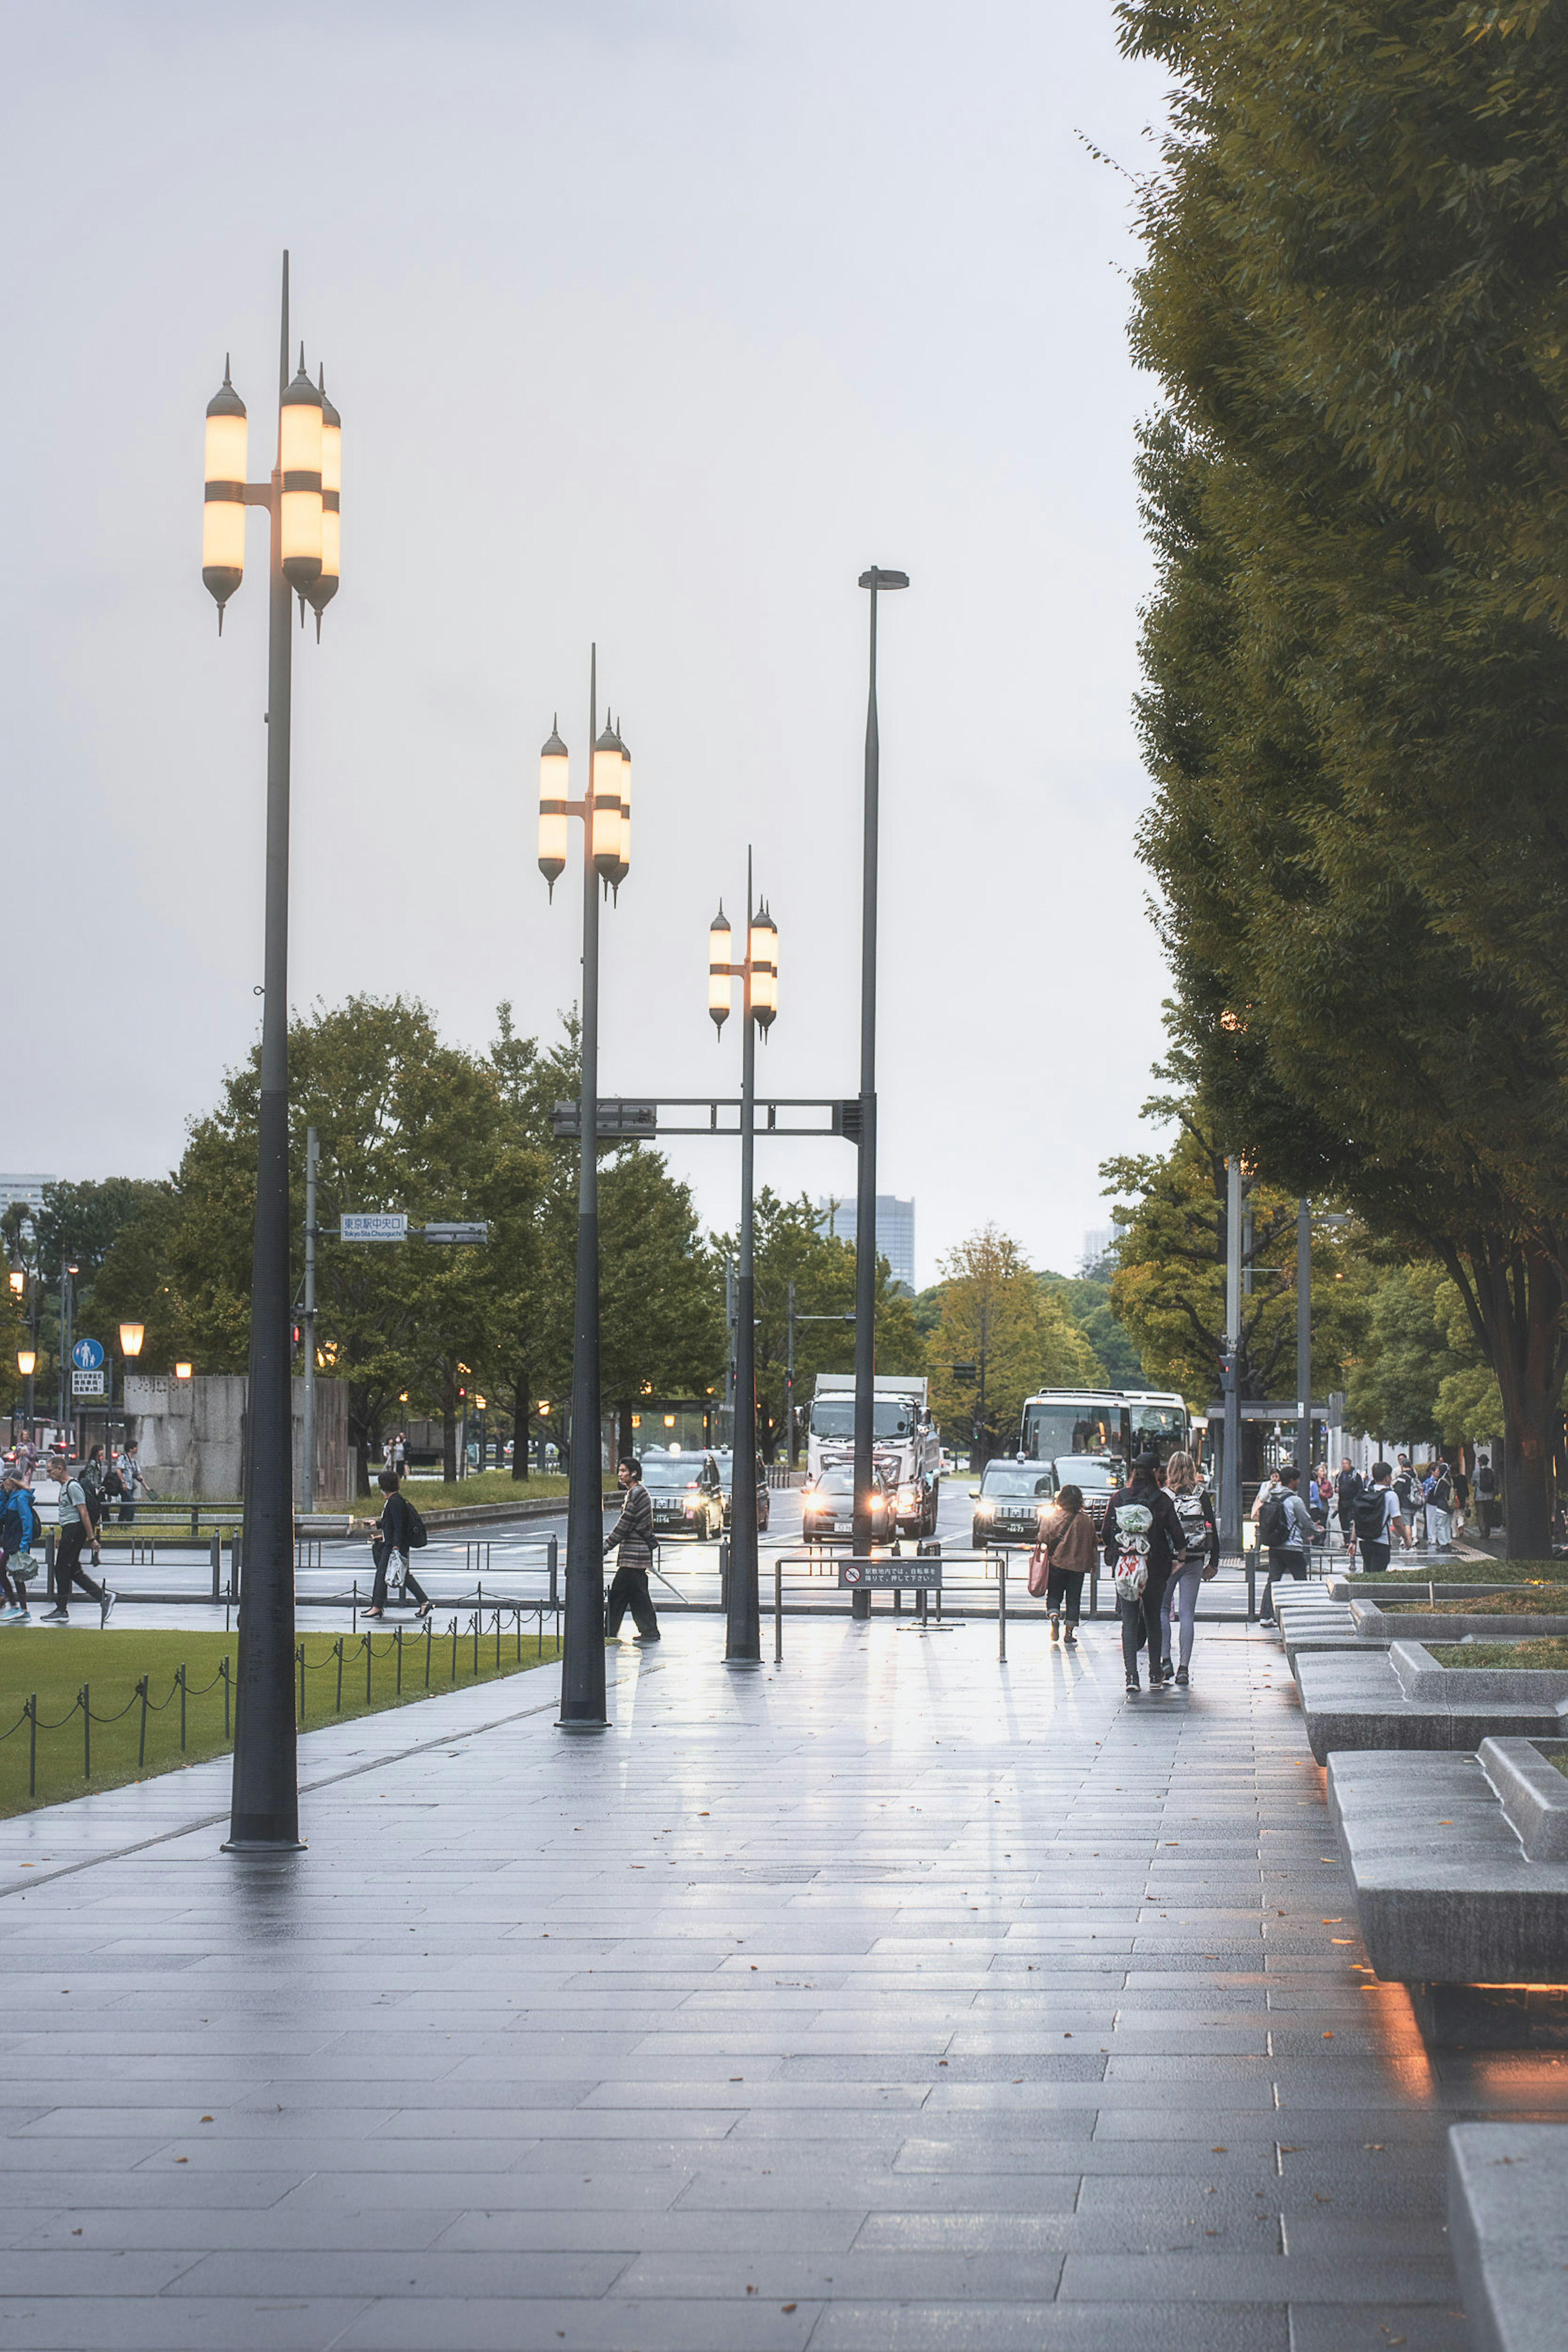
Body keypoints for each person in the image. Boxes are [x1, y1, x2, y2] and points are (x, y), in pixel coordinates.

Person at [1102, 1452, 1186, 1695]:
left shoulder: (1119, 1498)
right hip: (1155, 1567)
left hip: (1127, 1566)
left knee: (1129, 1619)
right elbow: (1177, 1532)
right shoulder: (1162, 1500)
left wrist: (1117, 1555)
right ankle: (1155, 1673)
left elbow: (1107, 1531)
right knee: (1153, 1618)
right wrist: (1180, 1559)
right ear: (1156, 1473)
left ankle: (1131, 1676)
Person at [1158, 1450, 1219, 1685]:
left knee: (1163, 1611)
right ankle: (1184, 1668)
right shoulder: (1201, 1495)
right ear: (1192, 1469)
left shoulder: (1164, 1496)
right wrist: (1213, 1562)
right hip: (1195, 1559)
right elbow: (1211, 1527)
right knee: (1187, 1614)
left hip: (1168, 1560)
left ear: (1170, 1469)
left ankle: (1166, 1662)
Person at [38, 1449, 115, 1624]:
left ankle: (62, 1609)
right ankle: (103, 1598)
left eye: (50, 1471)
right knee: (73, 1570)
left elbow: (84, 1514)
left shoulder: (73, 1487)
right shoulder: (66, 1488)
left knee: (61, 1568)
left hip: (75, 1531)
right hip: (70, 1531)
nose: (49, 1475)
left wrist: (92, 1539)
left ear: (60, 1469)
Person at [363, 1469, 432, 1619]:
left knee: (382, 1574)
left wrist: (396, 1546)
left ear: (384, 1486)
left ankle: (377, 1607)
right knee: (404, 1576)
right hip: (394, 1544)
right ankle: (424, 1602)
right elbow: (393, 1523)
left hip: (393, 1546)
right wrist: (378, 1524)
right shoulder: (397, 1500)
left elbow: (399, 1526)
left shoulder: (395, 1502)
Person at [603, 1455, 658, 1642]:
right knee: (637, 1595)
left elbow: (625, 1524)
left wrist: (606, 1546)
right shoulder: (635, 1493)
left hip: (634, 1556)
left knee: (619, 1595)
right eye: (620, 1471)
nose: (620, 1474)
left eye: (624, 1471)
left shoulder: (637, 1493)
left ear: (634, 1473)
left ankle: (609, 1632)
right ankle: (649, 1630)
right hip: (636, 1555)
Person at [1038, 1482, 1096, 1646]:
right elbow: (1093, 1543)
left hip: (1057, 1563)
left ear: (1061, 1500)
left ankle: (1054, 1616)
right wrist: (1093, 1566)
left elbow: (1043, 1537)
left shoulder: (1053, 1518)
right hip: (1079, 1567)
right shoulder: (1087, 1521)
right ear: (1080, 1501)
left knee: (1055, 1594)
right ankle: (1069, 1633)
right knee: (1073, 1599)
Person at [1257, 1464, 1316, 1623]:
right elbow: (1305, 1520)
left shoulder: (1271, 1497)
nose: (1299, 1483)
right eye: (1297, 1480)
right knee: (1301, 1580)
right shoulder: (1295, 1500)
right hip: (1293, 1546)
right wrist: (1316, 1530)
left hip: (1275, 1546)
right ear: (1291, 1481)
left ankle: (1266, 1616)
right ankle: (1304, 1613)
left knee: (1273, 1580)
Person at [1350, 1461, 1407, 1576]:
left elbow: (1358, 1519)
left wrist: (1353, 1541)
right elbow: (1397, 1523)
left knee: (1368, 1573)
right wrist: (1406, 1539)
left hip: (1364, 1541)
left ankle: (1366, 1593)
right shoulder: (1391, 1495)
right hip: (1382, 1541)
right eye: (1390, 1476)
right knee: (1378, 1576)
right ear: (1386, 1478)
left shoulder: (1364, 1493)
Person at [0, 1465, 38, 1622]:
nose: (3, 1484)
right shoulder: (14, 1496)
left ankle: (20, 1608)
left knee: (16, 1574)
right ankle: (20, 1608)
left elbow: (27, 1521)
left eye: (5, 1481)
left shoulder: (21, 1498)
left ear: (12, 1481)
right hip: (12, 1541)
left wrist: (24, 1546)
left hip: (17, 1543)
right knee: (15, 1575)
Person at [1423, 1456, 1455, 1551]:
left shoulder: (1442, 1481)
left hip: (1442, 1506)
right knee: (1447, 1525)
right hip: (1450, 1507)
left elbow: (1436, 1493)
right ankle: (1448, 1542)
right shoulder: (1451, 1480)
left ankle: (1443, 1544)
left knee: (1441, 1525)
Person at [1335, 1457, 1362, 1558]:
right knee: (1343, 1522)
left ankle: (1352, 1540)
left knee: (1351, 1522)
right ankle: (1346, 1541)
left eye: (1346, 1464)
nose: (1344, 1466)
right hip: (1342, 1503)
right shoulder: (1340, 1476)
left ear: (1350, 1465)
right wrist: (1337, 1490)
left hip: (1352, 1502)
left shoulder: (1355, 1476)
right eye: (1343, 1464)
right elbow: (1336, 1486)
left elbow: (1360, 1489)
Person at [118, 1438, 144, 1524]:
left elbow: (138, 1475)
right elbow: (118, 1470)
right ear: (131, 1449)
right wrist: (123, 1483)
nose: (137, 1449)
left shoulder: (134, 1462)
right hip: (125, 1486)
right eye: (135, 1447)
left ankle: (120, 1524)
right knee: (131, 1506)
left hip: (131, 1486)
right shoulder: (123, 1458)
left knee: (125, 1507)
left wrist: (146, 1487)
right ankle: (128, 1524)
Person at [1475, 1454, 1499, 1540]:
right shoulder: (1492, 1471)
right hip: (1490, 1496)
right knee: (1488, 1514)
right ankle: (1488, 1531)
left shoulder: (1477, 1472)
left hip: (1479, 1497)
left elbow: (1472, 1483)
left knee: (1481, 1515)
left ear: (1481, 1462)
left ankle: (1483, 1532)